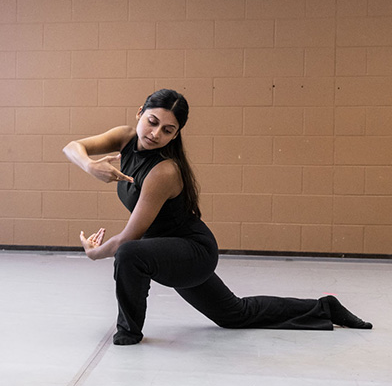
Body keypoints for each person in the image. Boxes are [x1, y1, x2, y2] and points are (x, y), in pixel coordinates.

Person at [63, 88, 372, 345]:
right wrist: (90, 166)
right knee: (235, 315)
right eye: (152, 121)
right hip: (166, 250)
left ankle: (128, 332)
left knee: (129, 253)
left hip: (191, 252)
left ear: (177, 134)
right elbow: (72, 147)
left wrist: (95, 254)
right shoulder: (126, 137)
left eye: (168, 130)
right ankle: (324, 307)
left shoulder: (164, 171)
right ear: (140, 112)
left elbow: (130, 237)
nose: (156, 133)